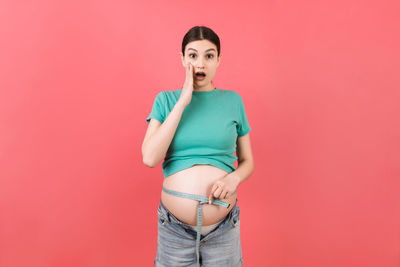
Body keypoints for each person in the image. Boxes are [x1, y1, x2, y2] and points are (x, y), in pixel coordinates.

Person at [142, 25, 254, 267]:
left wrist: (232, 180)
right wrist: (183, 101)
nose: (201, 64)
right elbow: (150, 158)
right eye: (193, 55)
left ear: (219, 60)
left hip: (223, 228)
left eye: (209, 56)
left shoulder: (233, 101)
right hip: (175, 229)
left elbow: (247, 162)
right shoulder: (166, 100)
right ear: (183, 59)